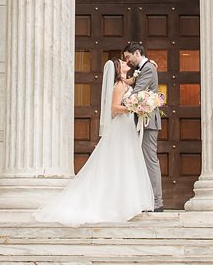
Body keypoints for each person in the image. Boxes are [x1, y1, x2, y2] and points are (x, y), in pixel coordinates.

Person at [33, 58, 154, 225]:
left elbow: (135, 80)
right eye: (122, 62)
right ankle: (116, 206)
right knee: (119, 162)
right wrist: (134, 108)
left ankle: (125, 204)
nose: (126, 62)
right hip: (120, 126)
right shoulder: (119, 86)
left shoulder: (125, 83)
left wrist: (150, 68)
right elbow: (114, 108)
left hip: (126, 127)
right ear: (119, 70)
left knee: (125, 162)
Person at [121, 41, 164, 213]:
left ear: (137, 53)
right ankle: (145, 198)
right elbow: (132, 82)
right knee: (141, 161)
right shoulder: (143, 67)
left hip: (147, 121)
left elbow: (137, 92)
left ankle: (157, 202)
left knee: (149, 160)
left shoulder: (147, 68)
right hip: (140, 120)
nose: (128, 60)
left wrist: (120, 98)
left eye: (128, 57)